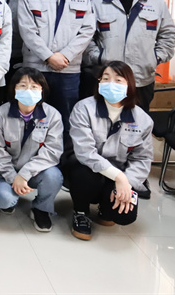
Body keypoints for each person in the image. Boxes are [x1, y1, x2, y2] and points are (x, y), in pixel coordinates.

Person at [66, 61, 154, 240]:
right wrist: (119, 177)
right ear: (99, 82)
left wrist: (127, 182)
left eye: (118, 80)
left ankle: (105, 209)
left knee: (125, 216)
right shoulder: (84, 108)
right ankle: (81, 212)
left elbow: (142, 159)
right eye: (105, 79)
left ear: (130, 85)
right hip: (89, 169)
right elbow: (85, 153)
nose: (111, 84)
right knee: (83, 172)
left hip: (119, 175)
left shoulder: (143, 119)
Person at [85, 0, 175, 113]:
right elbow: (87, 37)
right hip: (108, 79)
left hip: (141, 78)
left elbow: (169, 34)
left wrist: (155, 57)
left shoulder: (155, 3)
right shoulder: (96, 5)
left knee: (138, 122)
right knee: (104, 120)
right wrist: (98, 57)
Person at [18, 0, 96, 132]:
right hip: (36, 68)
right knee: (33, 117)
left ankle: (64, 152)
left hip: (68, 69)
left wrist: (65, 55)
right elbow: (27, 31)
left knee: (66, 118)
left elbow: (87, 30)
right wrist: (48, 56)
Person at [0, 68, 64, 232]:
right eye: (22, 85)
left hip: (35, 171)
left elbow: (52, 152)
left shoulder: (52, 115)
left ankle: (41, 208)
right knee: (4, 200)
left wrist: (24, 174)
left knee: (54, 176)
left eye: (34, 86)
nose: (28, 90)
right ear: (14, 88)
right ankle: (10, 197)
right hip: (5, 171)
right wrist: (13, 177)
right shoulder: (0, 114)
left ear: (42, 90)